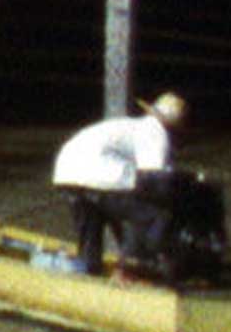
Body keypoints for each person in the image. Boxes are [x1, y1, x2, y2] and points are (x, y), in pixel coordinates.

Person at [50, 92, 188, 276]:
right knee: (156, 216)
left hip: (66, 173)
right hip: (100, 176)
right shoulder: (156, 133)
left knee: (92, 231)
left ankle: (89, 269)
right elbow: (153, 179)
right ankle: (135, 267)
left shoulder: (132, 127)